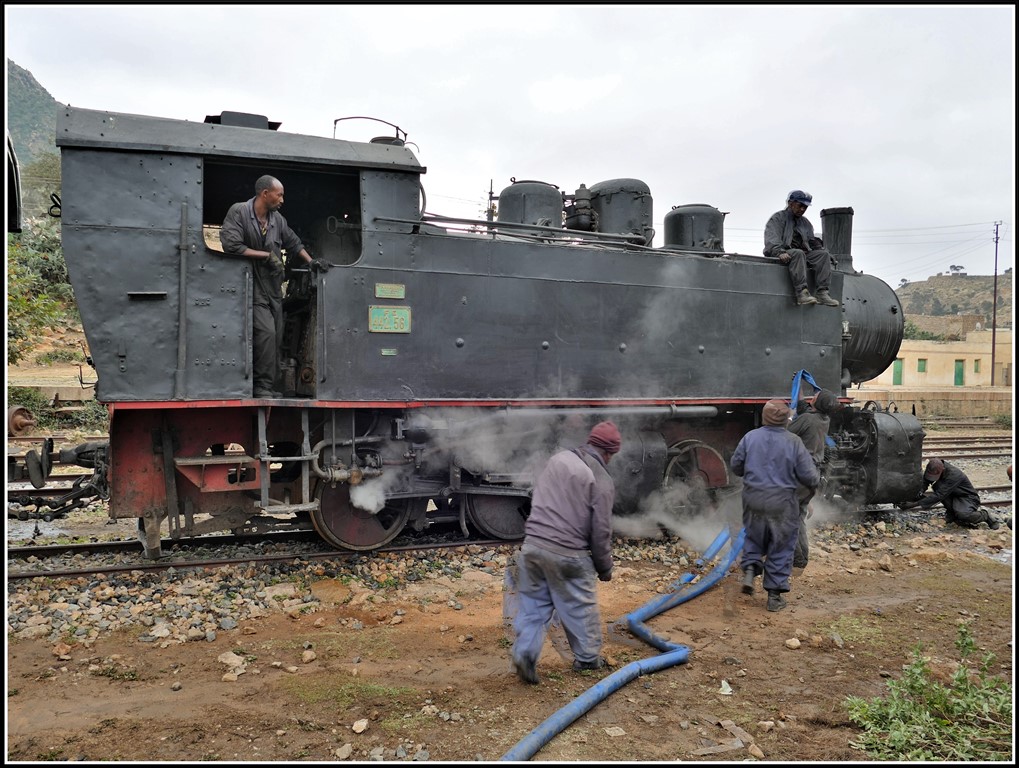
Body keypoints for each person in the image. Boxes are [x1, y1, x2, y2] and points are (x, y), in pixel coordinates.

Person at [510, 421, 621, 684]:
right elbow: (601, 530)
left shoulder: (559, 459)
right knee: (579, 605)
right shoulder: (601, 480)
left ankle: (525, 654)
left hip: (533, 547)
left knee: (533, 607)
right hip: (568, 554)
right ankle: (587, 659)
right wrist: (604, 568)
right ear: (609, 453)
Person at [220, 175, 327, 398]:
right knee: (266, 333)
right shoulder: (239, 212)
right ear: (265, 194)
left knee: (276, 335)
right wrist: (266, 256)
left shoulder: (277, 219)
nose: (282, 200)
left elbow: (293, 242)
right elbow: (231, 245)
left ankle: (269, 385)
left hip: (272, 286)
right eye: (279, 195)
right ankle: (260, 387)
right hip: (250, 284)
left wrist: (311, 262)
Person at [732, 399, 819, 612]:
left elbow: (736, 466)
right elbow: (810, 477)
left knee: (754, 537)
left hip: (753, 500)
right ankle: (774, 597)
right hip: (782, 503)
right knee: (780, 545)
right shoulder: (794, 442)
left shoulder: (750, 437)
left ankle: (751, 572)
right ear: (786, 420)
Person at [786, 388, 839, 568]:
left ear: (818, 403)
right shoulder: (824, 419)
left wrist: (790, 417)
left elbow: (785, 431)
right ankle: (802, 558)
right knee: (798, 515)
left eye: (816, 396)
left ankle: (797, 558)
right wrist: (797, 388)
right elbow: (806, 411)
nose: (813, 396)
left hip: (799, 473)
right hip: (811, 473)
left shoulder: (807, 419)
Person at [764, 190, 840, 308]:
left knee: (822, 255)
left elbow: (811, 241)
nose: (802, 209)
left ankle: (822, 292)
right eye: (800, 205)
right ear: (790, 203)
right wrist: (779, 251)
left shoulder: (805, 223)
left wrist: (823, 250)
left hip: (801, 255)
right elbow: (771, 239)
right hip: (781, 254)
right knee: (798, 253)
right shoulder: (777, 218)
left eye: (805, 207)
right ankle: (801, 292)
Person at [898, 458, 1000, 529]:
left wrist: (913, 504)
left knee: (963, 515)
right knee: (937, 486)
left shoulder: (954, 475)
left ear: (942, 469)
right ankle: (952, 513)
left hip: (967, 498)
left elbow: (939, 495)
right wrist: (919, 493)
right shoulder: (932, 468)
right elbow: (925, 482)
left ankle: (985, 516)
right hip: (952, 495)